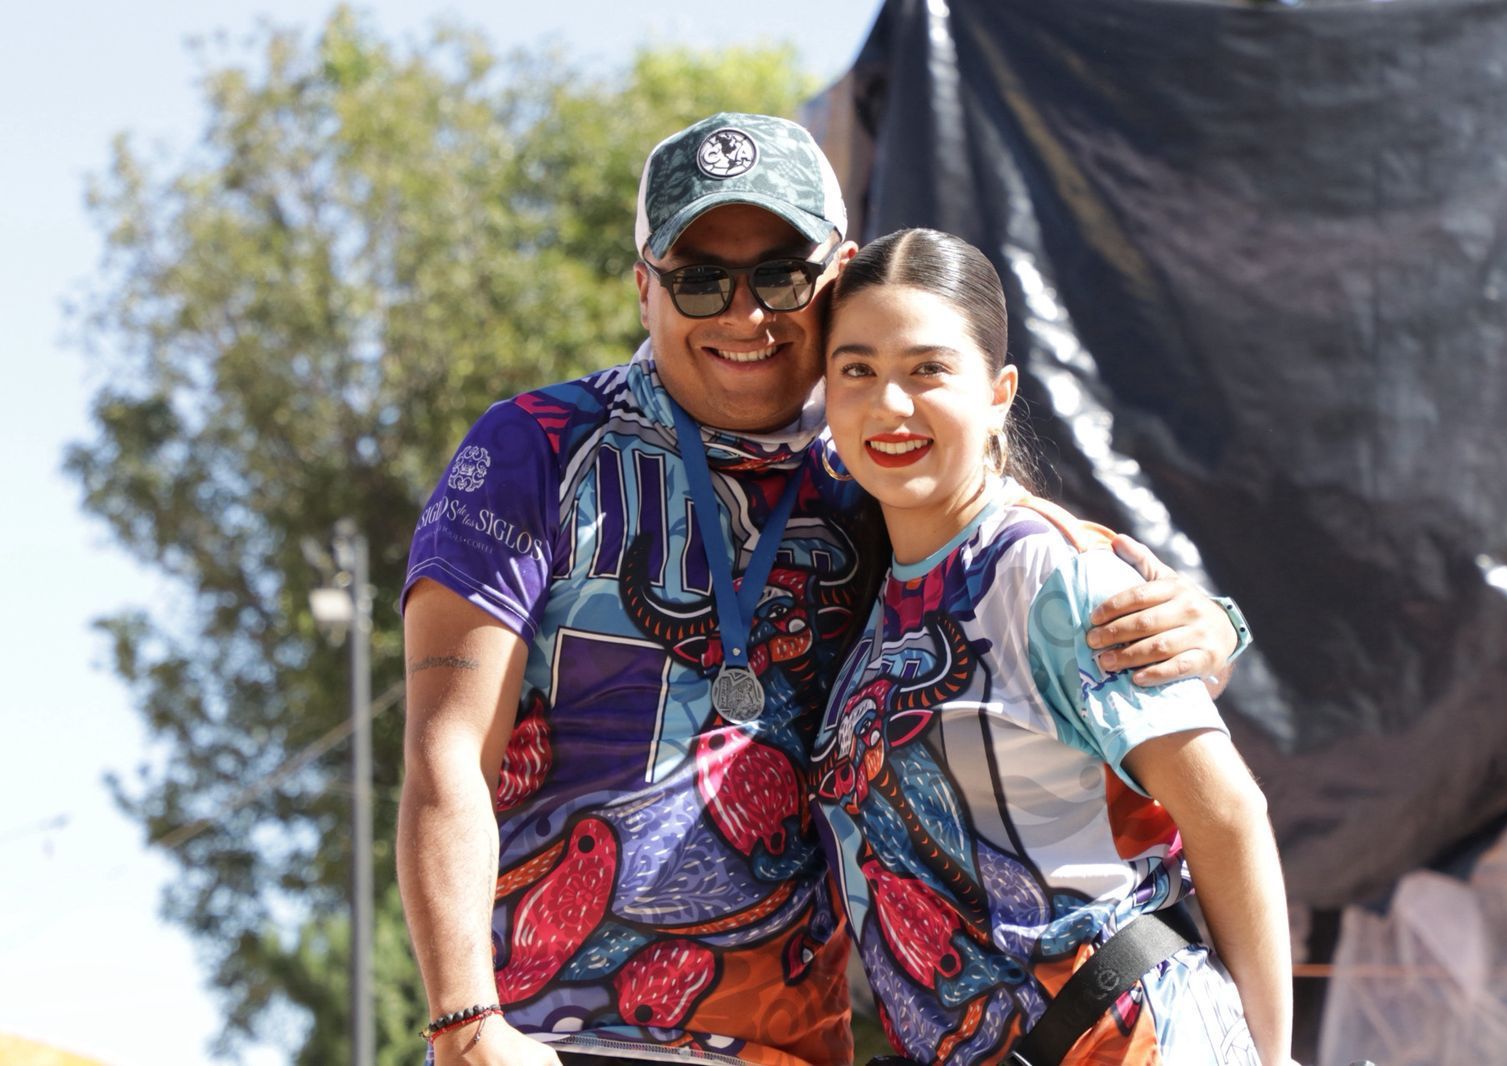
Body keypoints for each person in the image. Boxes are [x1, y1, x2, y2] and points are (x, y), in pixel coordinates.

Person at [397, 113, 1252, 1066]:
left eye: (780, 276)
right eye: (699, 280)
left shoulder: (872, 472)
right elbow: (445, 753)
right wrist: (464, 1021)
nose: (744, 314)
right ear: (643, 289)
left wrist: (1207, 626)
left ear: (836, 279)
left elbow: (1028, 560)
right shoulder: (535, 448)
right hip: (555, 1040)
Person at [809, 228, 1291, 1066]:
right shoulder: (885, 592)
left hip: (1140, 1041)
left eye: (927, 370)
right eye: (858, 370)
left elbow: (1228, 814)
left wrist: (1274, 1055)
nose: (890, 405)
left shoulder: (1048, 572)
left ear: (999, 393)